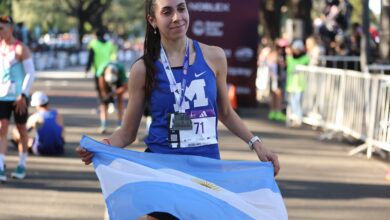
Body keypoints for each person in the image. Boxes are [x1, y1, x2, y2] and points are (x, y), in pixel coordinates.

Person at [77, 0, 280, 218]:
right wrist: (103, 146)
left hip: (206, 172)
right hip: (162, 173)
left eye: (181, 8)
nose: (177, 17)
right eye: (167, 12)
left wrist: (256, 143)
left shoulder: (214, 57)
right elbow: (127, 133)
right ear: (152, 20)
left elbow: (225, 112)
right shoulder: (143, 69)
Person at [0, 16, 36, 181]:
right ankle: (1, 165)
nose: (0, 32)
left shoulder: (21, 49)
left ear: (10, 29)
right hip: (2, 96)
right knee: (2, 128)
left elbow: (30, 73)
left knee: (22, 130)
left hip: (19, 97)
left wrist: (23, 94)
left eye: (2, 29)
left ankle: (22, 164)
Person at [12, 91, 65, 156]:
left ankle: (23, 146)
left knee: (17, 131)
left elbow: (22, 132)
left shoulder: (35, 117)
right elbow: (62, 135)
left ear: (36, 105)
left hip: (41, 149)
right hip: (58, 149)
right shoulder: (58, 115)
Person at [85, 28, 117, 133]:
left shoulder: (93, 44)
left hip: (98, 72)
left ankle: (104, 122)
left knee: (101, 94)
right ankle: (111, 103)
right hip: (109, 71)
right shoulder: (110, 44)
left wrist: (87, 69)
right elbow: (114, 56)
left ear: (95, 35)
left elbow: (90, 57)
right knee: (110, 90)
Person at [95, 62, 128, 133]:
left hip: (118, 81)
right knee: (104, 103)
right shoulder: (101, 70)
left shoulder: (121, 69)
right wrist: (106, 95)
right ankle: (103, 126)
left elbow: (125, 87)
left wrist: (116, 92)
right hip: (104, 82)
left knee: (120, 100)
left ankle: (120, 125)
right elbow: (101, 86)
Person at [286, 39, 309, 127]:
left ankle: (298, 118)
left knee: (298, 102)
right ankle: (296, 118)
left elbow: (304, 60)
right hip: (292, 85)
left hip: (300, 85)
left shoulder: (304, 58)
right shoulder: (290, 58)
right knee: (293, 102)